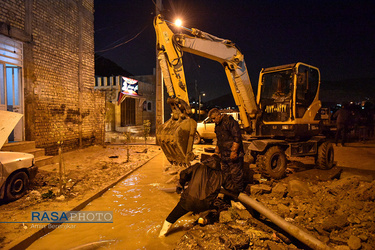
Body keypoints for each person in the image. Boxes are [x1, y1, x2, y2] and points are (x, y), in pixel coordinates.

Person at [159, 155, 223, 237]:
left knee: (172, 217)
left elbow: (183, 173)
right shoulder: (221, 174)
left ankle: (161, 235)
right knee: (211, 209)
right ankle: (202, 220)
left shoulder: (198, 166)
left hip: (188, 201)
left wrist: (181, 184)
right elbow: (229, 186)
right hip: (205, 204)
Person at [208, 108, 245, 197]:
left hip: (233, 155)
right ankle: (229, 194)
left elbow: (237, 137)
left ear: (218, 115)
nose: (213, 121)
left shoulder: (230, 122)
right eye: (212, 119)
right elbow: (219, 140)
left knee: (236, 175)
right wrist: (217, 152)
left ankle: (238, 195)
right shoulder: (218, 125)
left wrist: (234, 151)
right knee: (226, 175)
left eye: (214, 118)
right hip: (224, 155)